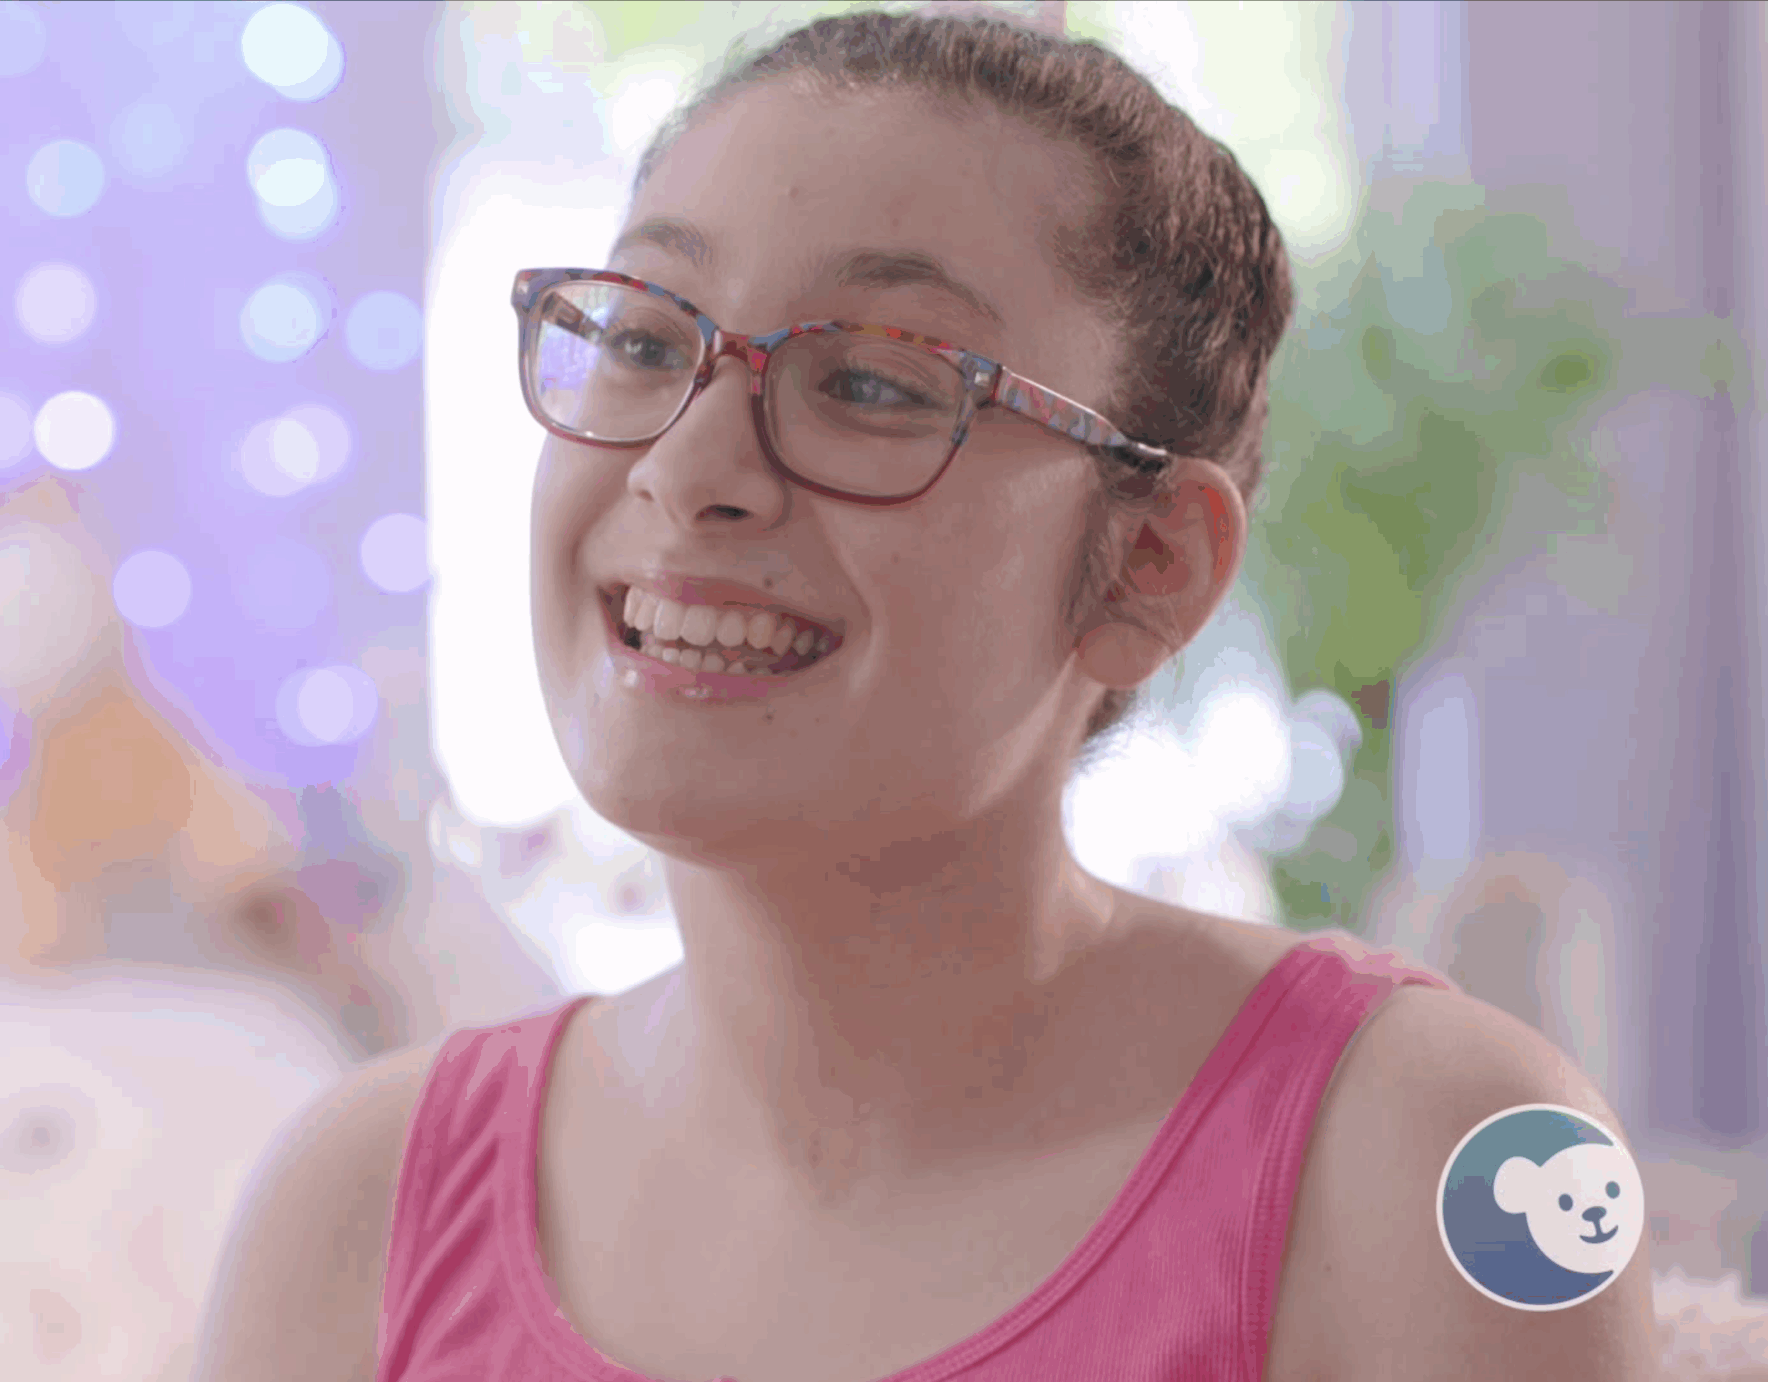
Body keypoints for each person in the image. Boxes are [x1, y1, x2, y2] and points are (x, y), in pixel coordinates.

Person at [196, 9, 1658, 1382]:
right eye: (646, 341)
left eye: (878, 385)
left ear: (1150, 563)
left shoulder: (1458, 1157)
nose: (685, 467)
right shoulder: (356, 1212)